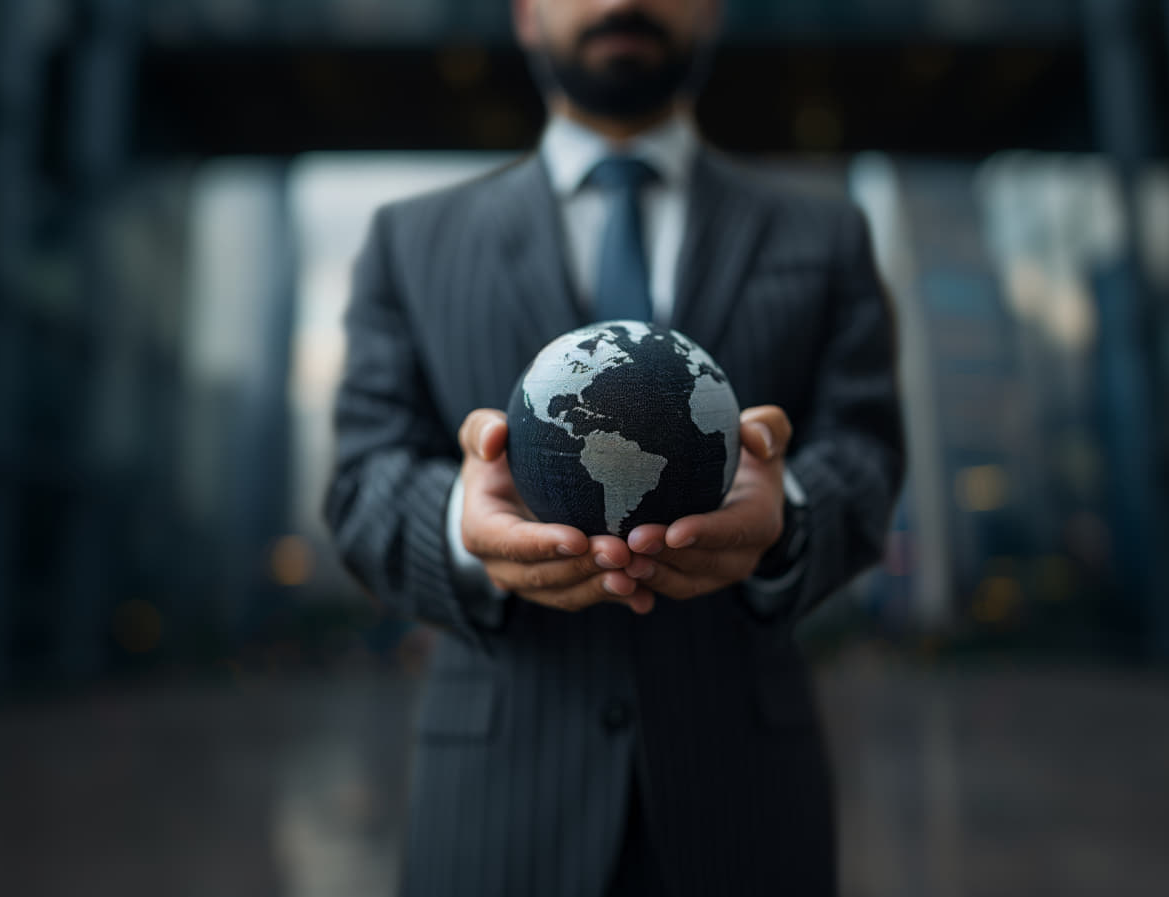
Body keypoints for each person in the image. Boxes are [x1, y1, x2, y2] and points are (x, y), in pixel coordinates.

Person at [322, 1, 905, 894]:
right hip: (496, 810)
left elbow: (865, 459)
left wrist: (781, 516)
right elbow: (363, 483)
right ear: (524, 13)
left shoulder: (824, 235)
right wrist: (463, 525)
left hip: (747, 810)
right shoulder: (410, 242)